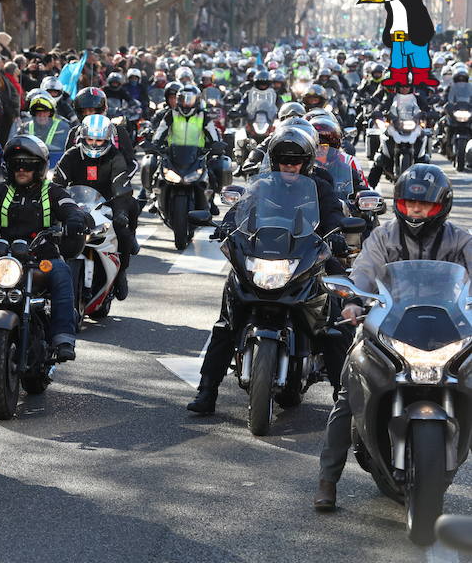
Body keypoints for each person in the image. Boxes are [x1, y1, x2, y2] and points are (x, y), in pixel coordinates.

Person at [313, 164, 472, 510]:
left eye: (424, 206)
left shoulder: (459, 240)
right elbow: (365, 271)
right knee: (347, 393)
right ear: (398, 204)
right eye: (409, 204)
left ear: (440, 206)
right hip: (386, 329)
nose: (415, 211)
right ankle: (328, 479)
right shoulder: (384, 237)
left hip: (447, 332)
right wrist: (354, 301)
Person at [186, 125, 349, 415]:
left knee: (334, 325)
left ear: (307, 161)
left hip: (305, 259)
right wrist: (226, 225)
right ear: (274, 162)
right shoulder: (261, 185)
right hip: (263, 257)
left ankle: (345, 397)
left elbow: (333, 214)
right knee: (226, 324)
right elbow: (241, 211)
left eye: (295, 160)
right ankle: (207, 391)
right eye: (284, 160)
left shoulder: (321, 186)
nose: (289, 166)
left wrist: (336, 232)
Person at [0, 135, 84, 361]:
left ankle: (63, 337)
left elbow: (69, 206)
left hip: (42, 259)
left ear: (38, 168)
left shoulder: (52, 191)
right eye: (16, 164)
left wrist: (76, 217)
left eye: (28, 165)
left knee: (61, 272)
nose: (22, 170)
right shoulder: (0, 191)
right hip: (5, 259)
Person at [54, 114, 138, 300]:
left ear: (108, 139)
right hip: (75, 206)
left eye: (99, 140)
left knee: (123, 232)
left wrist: (121, 212)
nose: (93, 144)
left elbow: (121, 188)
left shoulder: (115, 157)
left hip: (106, 205)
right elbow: (56, 184)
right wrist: (56, 205)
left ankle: (121, 272)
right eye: (90, 139)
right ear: (82, 137)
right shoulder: (71, 155)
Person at [148, 84, 224, 213]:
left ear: (197, 100)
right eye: (183, 99)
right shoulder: (171, 114)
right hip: (173, 153)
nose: (186, 103)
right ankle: (155, 198)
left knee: (212, 172)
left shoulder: (203, 115)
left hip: (197, 154)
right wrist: (155, 143)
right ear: (178, 100)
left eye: (190, 100)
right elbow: (161, 129)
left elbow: (211, 131)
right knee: (156, 171)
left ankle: (211, 201)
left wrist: (216, 144)